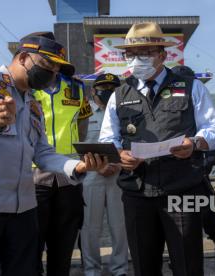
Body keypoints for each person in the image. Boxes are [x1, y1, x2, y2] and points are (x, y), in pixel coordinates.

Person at [0, 31, 106, 276]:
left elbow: (42, 152)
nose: (53, 74)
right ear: (24, 57)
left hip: (21, 210)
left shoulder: (32, 104)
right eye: (49, 65)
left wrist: (77, 167)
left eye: (57, 69)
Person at [100, 22, 215, 276]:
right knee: (144, 266)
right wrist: (119, 156)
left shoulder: (191, 87)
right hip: (137, 193)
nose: (136, 60)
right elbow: (107, 139)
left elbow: (213, 130)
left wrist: (195, 143)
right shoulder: (119, 94)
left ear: (162, 55)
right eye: (131, 54)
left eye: (144, 53)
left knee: (187, 265)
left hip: (181, 190)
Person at [30, 32, 93, 276]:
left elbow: (83, 125)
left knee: (64, 243)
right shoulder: (26, 87)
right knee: (31, 243)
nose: (52, 66)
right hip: (34, 177)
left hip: (68, 177)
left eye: (55, 61)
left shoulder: (76, 88)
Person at [171, 65, 215, 271]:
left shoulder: (201, 110)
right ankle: (175, 256)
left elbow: (214, 144)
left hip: (200, 177)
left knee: (211, 218)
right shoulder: (171, 114)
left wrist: (203, 168)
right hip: (174, 179)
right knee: (177, 224)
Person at [80, 73, 128, 276]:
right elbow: (76, 143)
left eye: (112, 88)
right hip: (91, 176)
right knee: (90, 228)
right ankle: (91, 270)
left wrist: (118, 163)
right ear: (93, 90)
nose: (107, 91)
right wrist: (95, 166)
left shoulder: (126, 111)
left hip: (119, 175)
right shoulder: (83, 113)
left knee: (120, 227)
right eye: (103, 87)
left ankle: (120, 269)